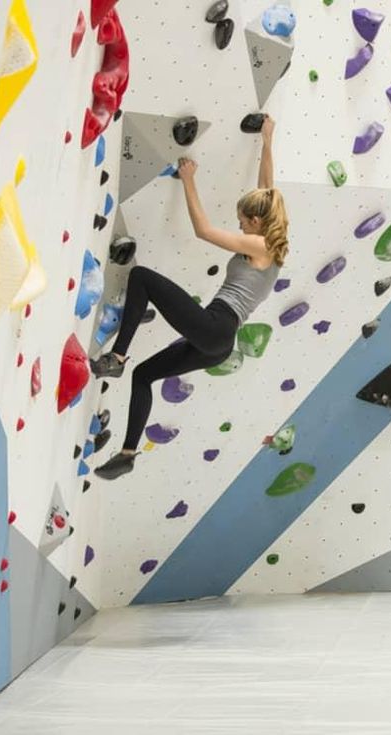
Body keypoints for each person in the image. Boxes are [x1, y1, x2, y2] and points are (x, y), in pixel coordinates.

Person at [92, 117, 287, 480]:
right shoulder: (273, 245)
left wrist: (189, 180)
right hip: (219, 344)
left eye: (243, 221)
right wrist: (267, 140)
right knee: (144, 375)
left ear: (257, 224)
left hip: (217, 325)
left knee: (141, 277)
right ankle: (128, 453)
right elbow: (268, 190)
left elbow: (204, 231)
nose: (241, 225)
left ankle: (117, 357)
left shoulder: (259, 245)